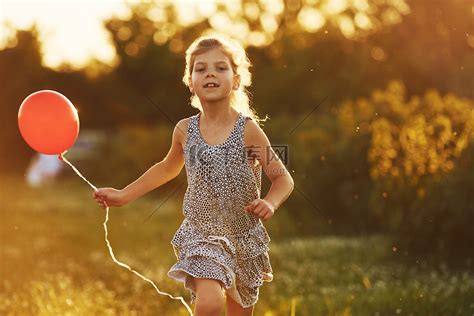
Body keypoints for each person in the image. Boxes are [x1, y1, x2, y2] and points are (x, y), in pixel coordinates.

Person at [93, 34, 294, 316]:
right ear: (190, 81)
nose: (210, 72)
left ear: (236, 80)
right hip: (201, 234)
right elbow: (166, 168)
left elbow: (283, 178)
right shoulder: (184, 130)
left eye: (220, 67)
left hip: (244, 237)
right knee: (210, 303)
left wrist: (270, 202)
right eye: (200, 68)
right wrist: (124, 195)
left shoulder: (248, 130)